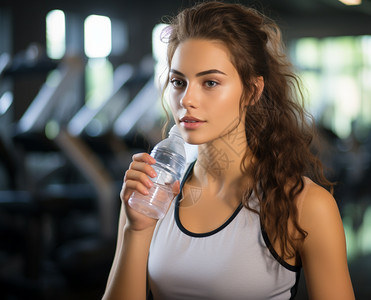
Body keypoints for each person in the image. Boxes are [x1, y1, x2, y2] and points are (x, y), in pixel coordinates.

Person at [102, 2, 355, 299]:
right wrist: (137, 230)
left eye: (210, 82)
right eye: (178, 82)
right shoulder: (152, 192)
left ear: (252, 91)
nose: (187, 99)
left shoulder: (305, 204)